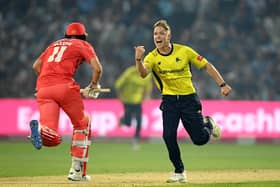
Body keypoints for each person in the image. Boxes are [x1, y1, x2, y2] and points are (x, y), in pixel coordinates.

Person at [134, 19, 232, 183]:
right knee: (168, 136)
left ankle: (208, 123)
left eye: (161, 33)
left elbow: (207, 65)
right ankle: (179, 171)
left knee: (199, 140)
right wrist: (138, 59)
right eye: (155, 34)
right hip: (170, 101)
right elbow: (143, 74)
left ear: (169, 35)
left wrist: (222, 84)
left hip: (189, 100)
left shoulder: (184, 51)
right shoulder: (152, 57)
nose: (157, 36)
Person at [29, 22, 103, 181]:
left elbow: (36, 66)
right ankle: (77, 172)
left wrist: (47, 83)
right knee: (83, 123)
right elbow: (98, 69)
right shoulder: (83, 44)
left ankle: (40, 132)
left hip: (43, 89)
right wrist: (94, 86)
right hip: (65, 88)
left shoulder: (53, 45)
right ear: (83, 35)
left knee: (52, 137)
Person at [114, 65, 152, 150]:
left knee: (139, 121)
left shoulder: (146, 75)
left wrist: (147, 96)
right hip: (127, 101)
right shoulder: (129, 73)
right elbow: (118, 85)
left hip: (138, 102)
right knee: (128, 123)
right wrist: (120, 96)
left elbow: (148, 86)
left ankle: (136, 140)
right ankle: (123, 120)